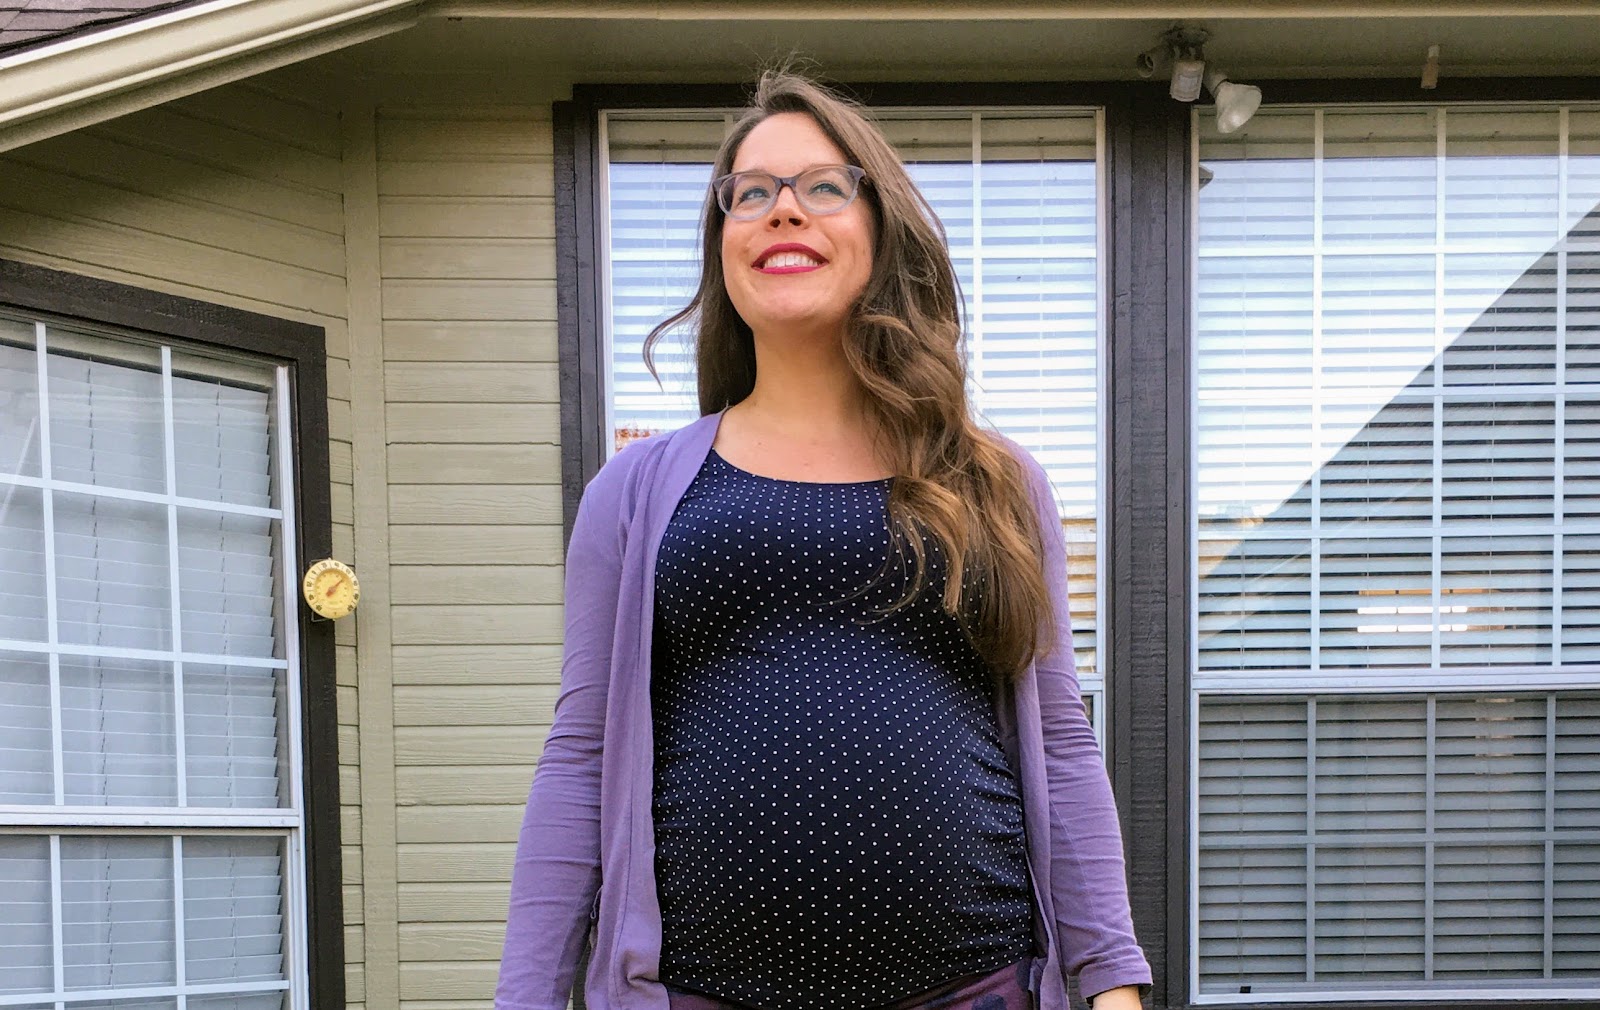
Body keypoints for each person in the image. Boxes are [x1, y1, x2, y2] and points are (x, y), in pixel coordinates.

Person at [495, 69, 1152, 1010]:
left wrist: (1112, 979)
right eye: (749, 193)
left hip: (975, 989)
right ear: (723, 245)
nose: (782, 209)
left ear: (881, 228)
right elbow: (578, 759)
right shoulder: (634, 494)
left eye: (823, 186)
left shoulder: (994, 480)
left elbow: (1060, 741)